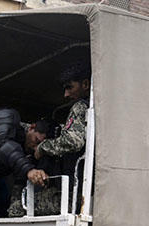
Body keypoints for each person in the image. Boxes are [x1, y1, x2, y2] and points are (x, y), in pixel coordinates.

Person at [8, 61, 91, 217]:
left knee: (17, 209)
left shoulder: (81, 106)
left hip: (74, 196)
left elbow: (73, 141)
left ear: (85, 84)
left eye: (70, 87)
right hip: (88, 193)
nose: (66, 94)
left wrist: (43, 147)